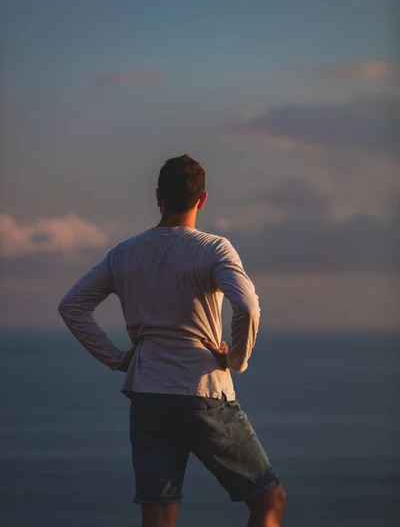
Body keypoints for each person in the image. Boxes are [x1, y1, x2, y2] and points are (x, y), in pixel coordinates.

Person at [58, 154, 286, 527]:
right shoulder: (213, 248)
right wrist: (237, 359)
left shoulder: (125, 253)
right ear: (203, 199)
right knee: (269, 501)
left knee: (159, 518)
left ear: (158, 197)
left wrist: (117, 359)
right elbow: (246, 305)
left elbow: (72, 307)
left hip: (148, 395)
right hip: (203, 392)